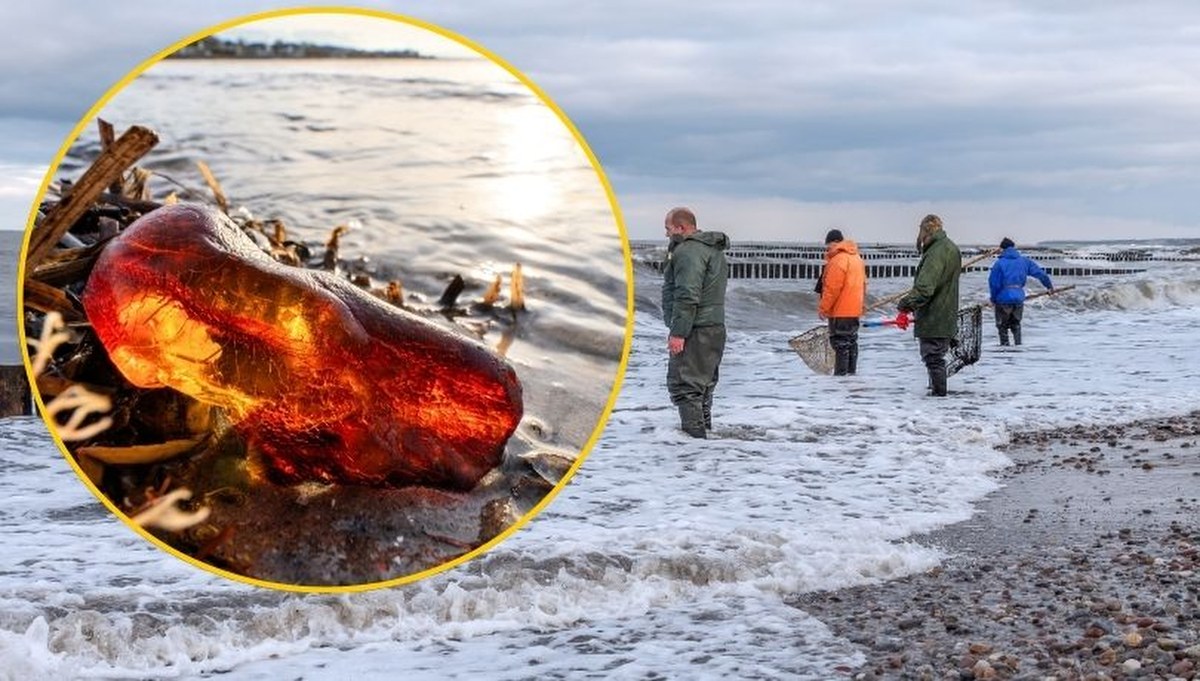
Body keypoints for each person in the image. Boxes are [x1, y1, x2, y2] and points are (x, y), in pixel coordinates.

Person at [661, 207, 729, 438]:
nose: (667, 235)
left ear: (681, 228)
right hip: (714, 327)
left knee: (685, 387)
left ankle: (693, 444)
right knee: (704, 385)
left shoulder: (689, 252)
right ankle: (704, 439)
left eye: (668, 229)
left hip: (696, 328)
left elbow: (687, 294)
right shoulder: (712, 250)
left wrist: (679, 332)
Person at [897, 214, 960, 397]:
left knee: (933, 358)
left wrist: (904, 306)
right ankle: (937, 399)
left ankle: (939, 400)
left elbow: (925, 289)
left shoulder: (935, 253)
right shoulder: (951, 248)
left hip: (935, 316)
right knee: (936, 358)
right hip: (947, 313)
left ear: (926, 231)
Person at [817, 229, 867, 375]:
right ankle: (851, 376)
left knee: (840, 344)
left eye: (829, 245)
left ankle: (840, 379)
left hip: (840, 310)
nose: (828, 249)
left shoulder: (838, 261)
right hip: (854, 309)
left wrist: (823, 308)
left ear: (835, 243)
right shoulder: (857, 258)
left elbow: (832, 289)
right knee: (851, 342)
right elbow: (863, 284)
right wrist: (861, 304)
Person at [988, 237, 1053, 346]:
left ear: (1002, 249)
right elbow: (1041, 274)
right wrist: (1049, 287)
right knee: (1016, 325)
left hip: (1003, 299)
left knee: (1002, 327)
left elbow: (994, 283)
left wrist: (993, 299)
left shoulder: (999, 264)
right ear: (1014, 248)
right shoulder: (1024, 261)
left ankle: (1004, 352)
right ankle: (1018, 350)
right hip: (1018, 297)